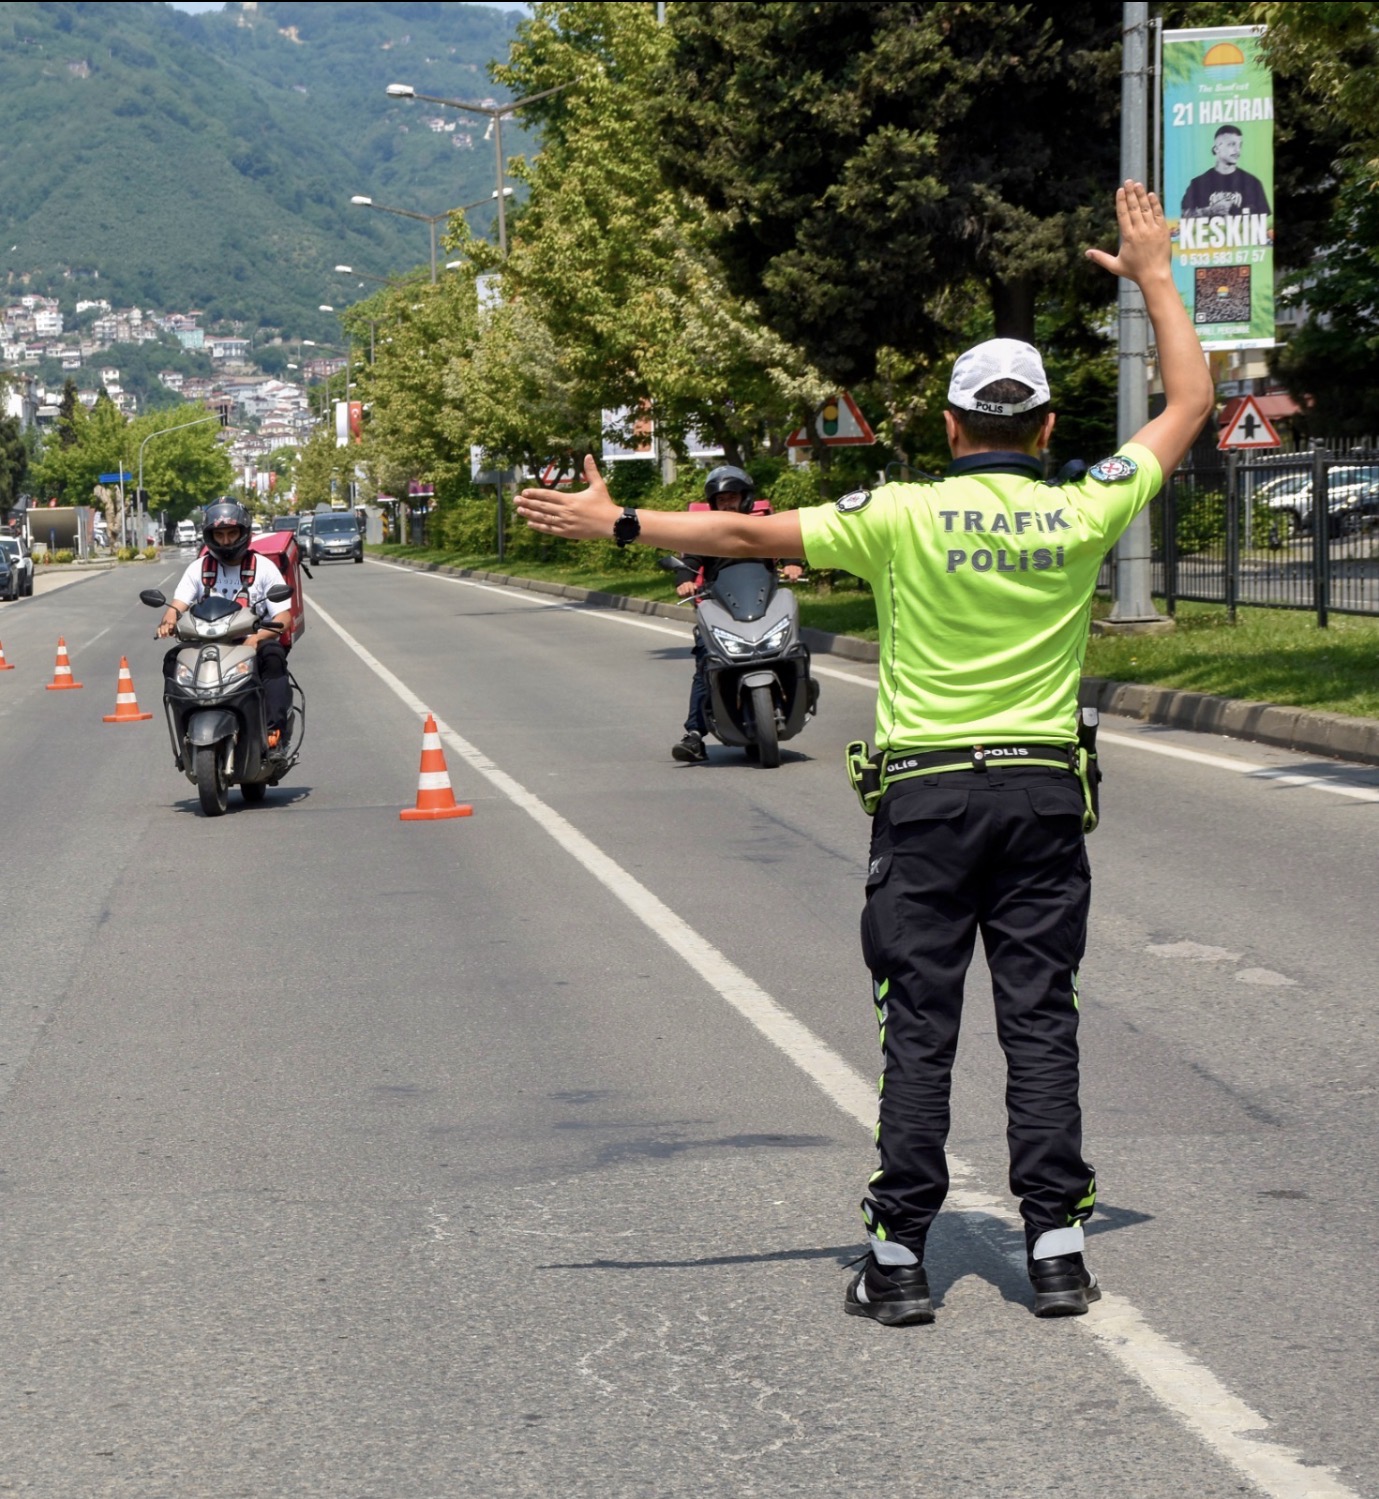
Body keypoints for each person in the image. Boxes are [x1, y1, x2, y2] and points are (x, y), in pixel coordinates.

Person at [516, 181, 1212, 1323]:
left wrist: (620, 521)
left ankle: (897, 1259)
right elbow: (1189, 398)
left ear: (949, 427)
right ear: (1045, 430)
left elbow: (742, 531)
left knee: (919, 1027)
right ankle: (1056, 1247)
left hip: (927, 804)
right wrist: (1153, 277)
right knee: (1040, 1019)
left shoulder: (896, 513)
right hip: (1042, 797)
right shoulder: (1084, 507)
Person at [671, 465, 805, 764]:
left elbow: (786, 542)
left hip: (764, 603)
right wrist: (684, 579)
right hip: (721, 606)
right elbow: (689, 561)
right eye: (721, 500)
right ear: (713, 504)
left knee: (794, 644)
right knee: (707, 660)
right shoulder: (705, 534)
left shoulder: (763, 527)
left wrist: (793, 562)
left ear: (745, 498)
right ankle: (694, 734)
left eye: (732, 497)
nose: (727, 504)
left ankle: (799, 693)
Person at [156, 499, 294, 752]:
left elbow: (284, 618)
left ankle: (274, 731)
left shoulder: (264, 568)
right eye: (219, 535)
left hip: (250, 643)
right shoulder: (198, 568)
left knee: (273, 658)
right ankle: (185, 727)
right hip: (206, 643)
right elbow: (177, 605)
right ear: (210, 537)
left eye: (232, 533)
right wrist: (169, 621)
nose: (226, 541)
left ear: (244, 533)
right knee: (172, 661)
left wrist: (257, 638)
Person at [1179, 125, 1271, 220]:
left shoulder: (1253, 183)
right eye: (1231, 144)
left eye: (1240, 145)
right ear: (1216, 149)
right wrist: (1210, 211)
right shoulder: (1197, 184)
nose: (1237, 150)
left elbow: (1265, 221)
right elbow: (1183, 215)